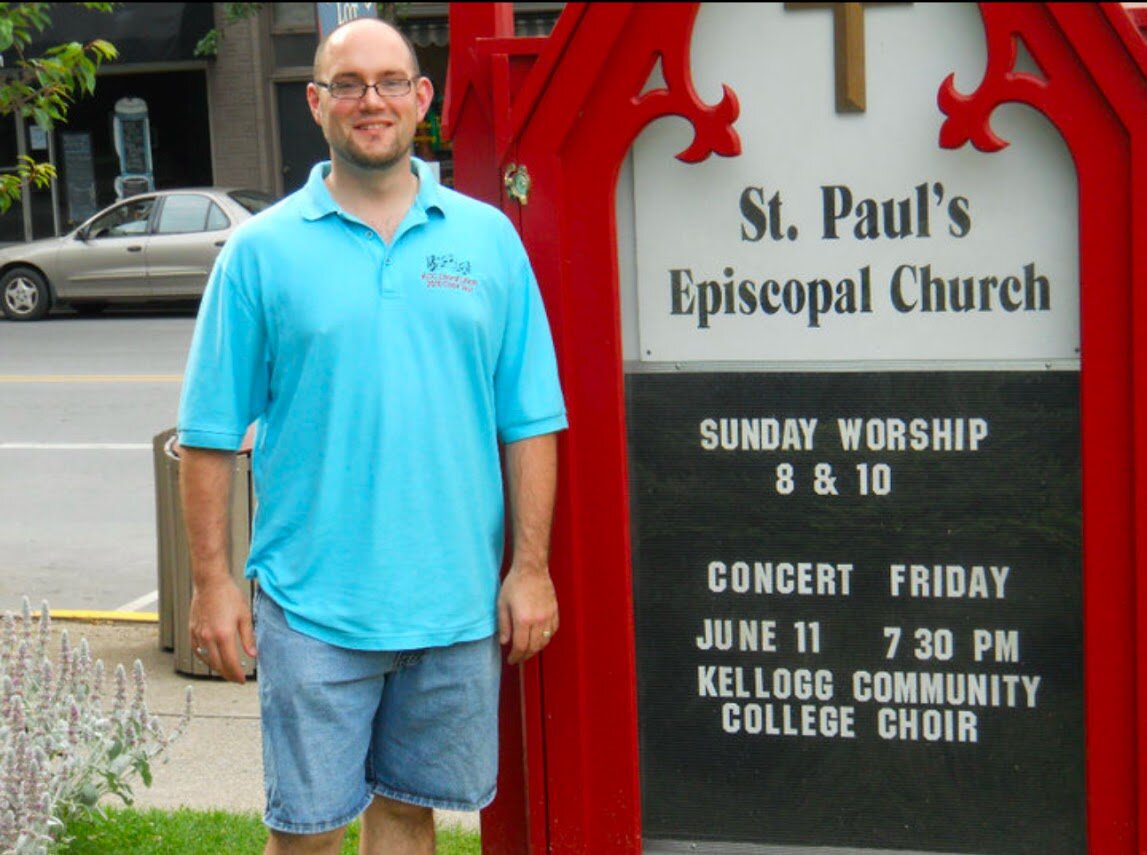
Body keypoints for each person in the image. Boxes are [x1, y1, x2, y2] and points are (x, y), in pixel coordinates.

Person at [176, 16, 567, 855]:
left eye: (391, 81)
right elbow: (209, 434)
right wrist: (211, 582)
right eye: (347, 84)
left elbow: (529, 418)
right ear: (315, 103)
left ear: (422, 99)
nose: (371, 101)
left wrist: (529, 569)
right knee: (309, 833)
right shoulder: (259, 253)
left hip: (454, 605)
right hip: (313, 606)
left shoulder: (487, 239)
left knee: (408, 814)